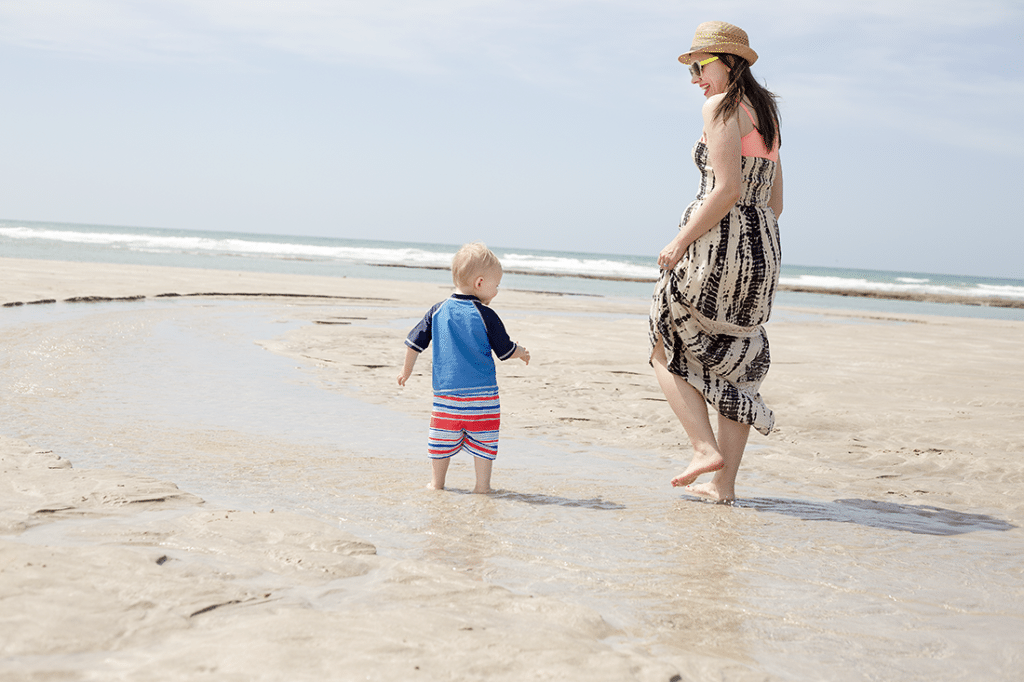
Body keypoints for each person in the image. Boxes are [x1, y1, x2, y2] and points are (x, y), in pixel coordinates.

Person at [649, 21, 783, 503]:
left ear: (729, 61)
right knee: (739, 363)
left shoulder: (721, 108)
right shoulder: (765, 116)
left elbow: (725, 189)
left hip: (719, 245)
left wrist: (681, 241)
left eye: (700, 66)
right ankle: (723, 486)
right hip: (763, 248)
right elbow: (775, 202)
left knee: (662, 334)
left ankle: (703, 448)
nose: (695, 79)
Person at [398, 242, 531, 493]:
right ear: (480, 283)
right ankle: (482, 487)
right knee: (484, 441)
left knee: (441, 440)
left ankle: (437, 483)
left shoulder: (437, 311)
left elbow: (414, 343)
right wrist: (521, 352)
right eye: (497, 285)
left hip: (446, 397)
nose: (497, 290)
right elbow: (504, 350)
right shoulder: (485, 314)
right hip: (483, 398)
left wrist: (406, 372)